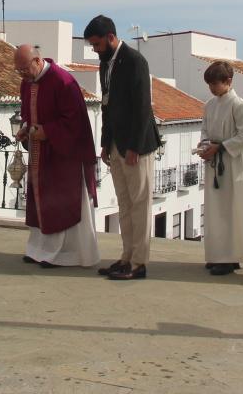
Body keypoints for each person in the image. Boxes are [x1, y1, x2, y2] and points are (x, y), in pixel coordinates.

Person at [84, 15, 158, 281]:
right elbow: (106, 105)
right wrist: (105, 142)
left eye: (97, 43)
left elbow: (142, 108)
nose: (94, 49)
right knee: (125, 204)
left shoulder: (136, 62)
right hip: (116, 145)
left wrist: (134, 147)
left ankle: (139, 263)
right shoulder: (105, 66)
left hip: (135, 147)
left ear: (111, 38)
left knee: (140, 205)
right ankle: (126, 257)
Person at [13, 44, 100, 268]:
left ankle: (63, 255)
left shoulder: (64, 82)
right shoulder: (27, 82)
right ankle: (39, 250)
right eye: (18, 71)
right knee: (40, 202)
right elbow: (28, 113)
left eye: (24, 69)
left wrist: (47, 132)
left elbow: (75, 121)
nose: (22, 75)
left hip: (64, 156)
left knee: (60, 204)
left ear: (37, 60)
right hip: (40, 154)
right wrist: (25, 128)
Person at [196, 61, 243, 275]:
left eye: (215, 84)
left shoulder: (240, 105)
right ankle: (218, 254)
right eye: (209, 85)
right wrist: (204, 146)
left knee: (231, 210)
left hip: (232, 165)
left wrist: (221, 147)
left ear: (228, 81)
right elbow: (205, 130)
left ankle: (231, 256)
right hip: (214, 164)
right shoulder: (209, 105)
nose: (212, 89)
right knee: (215, 211)